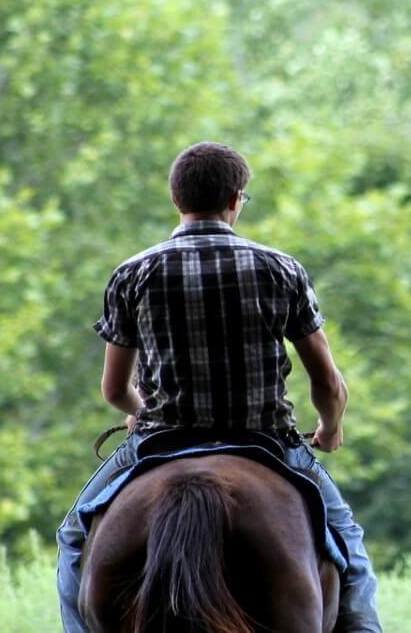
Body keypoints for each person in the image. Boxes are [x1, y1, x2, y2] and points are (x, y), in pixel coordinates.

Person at [56, 141, 381, 632]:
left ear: (176, 200)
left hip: (160, 440)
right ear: (236, 199)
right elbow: (327, 381)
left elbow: (113, 389)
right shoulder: (281, 269)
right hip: (265, 441)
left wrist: (136, 410)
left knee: (75, 539)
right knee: (347, 545)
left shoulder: (133, 273)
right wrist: (331, 428)